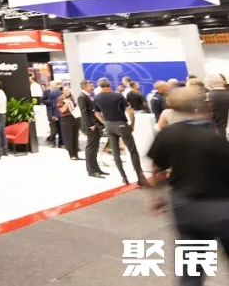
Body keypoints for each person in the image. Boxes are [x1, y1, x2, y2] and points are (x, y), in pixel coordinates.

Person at [146, 86, 229, 286]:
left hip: (184, 206)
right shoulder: (217, 139)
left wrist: (156, 197)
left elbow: (156, 170)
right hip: (221, 207)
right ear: (202, 106)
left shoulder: (169, 133)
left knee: (191, 269)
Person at [94, 78, 148, 186]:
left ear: (100, 86)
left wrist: (105, 122)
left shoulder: (97, 98)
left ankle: (124, 178)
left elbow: (96, 113)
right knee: (133, 151)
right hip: (121, 125)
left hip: (109, 126)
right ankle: (141, 178)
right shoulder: (117, 96)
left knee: (115, 152)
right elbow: (130, 111)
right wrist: (132, 124)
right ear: (109, 85)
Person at [78, 80, 107, 178]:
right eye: (90, 85)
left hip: (95, 125)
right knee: (91, 148)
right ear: (84, 86)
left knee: (95, 148)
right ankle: (91, 170)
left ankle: (96, 169)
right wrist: (90, 125)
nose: (92, 86)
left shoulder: (88, 96)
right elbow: (84, 112)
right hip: (90, 126)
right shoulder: (82, 97)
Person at [56, 85, 80, 161]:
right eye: (66, 90)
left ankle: (76, 154)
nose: (68, 91)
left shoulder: (71, 97)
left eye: (68, 90)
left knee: (75, 136)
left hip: (74, 117)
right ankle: (71, 155)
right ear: (62, 91)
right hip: (66, 119)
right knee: (69, 138)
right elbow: (62, 110)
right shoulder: (60, 99)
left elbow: (74, 107)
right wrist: (66, 103)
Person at [42, 81, 62, 147]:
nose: (55, 86)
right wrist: (52, 101)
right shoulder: (46, 92)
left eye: (55, 85)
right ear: (50, 85)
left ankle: (60, 143)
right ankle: (51, 141)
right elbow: (42, 100)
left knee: (60, 129)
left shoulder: (59, 92)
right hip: (51, 112)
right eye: (53, 85)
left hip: (58, 112)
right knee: (54, 129)